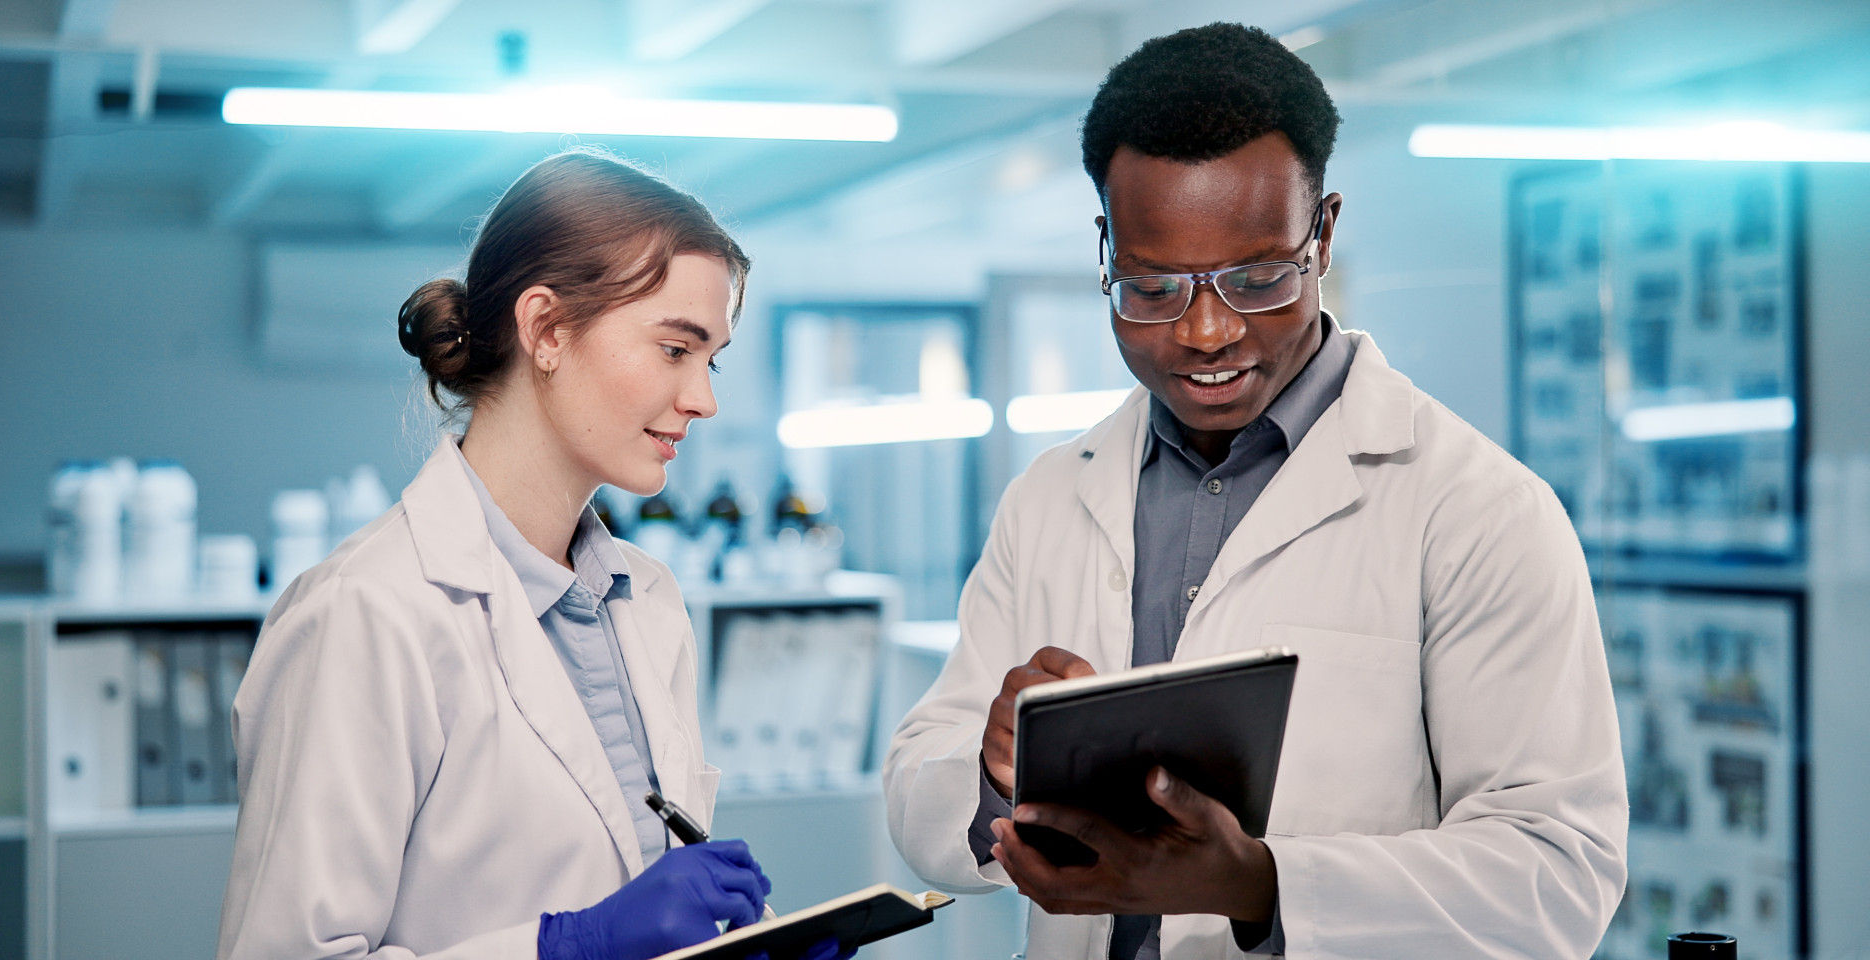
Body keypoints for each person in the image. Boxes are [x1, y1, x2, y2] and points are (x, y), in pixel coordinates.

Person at [882, 23, 1627, 960]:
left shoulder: (1477, 511)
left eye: (1259, 279)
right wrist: (994, 774)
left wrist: (1258, 883)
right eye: (1152, 289)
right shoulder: (1048, 499)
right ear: (1105, 247)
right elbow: (918, 788)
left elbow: (1559, 874)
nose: (1204, 331)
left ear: (1324, 232)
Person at [218, 149, 846, 960]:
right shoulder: (365, 611)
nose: (705, 399)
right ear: (547, 329)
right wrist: (565, 948)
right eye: (673, 349)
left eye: (711, 358)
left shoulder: (646, 602)